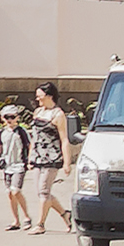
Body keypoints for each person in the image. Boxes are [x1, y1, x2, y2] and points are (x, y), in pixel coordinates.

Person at [27, 87, 76, 233]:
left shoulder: (58, 114)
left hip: (52, 157)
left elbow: (64, 139)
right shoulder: (38, 112)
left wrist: (67, 163)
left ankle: (40, 224)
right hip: (38, 156)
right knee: (42, 192)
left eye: (40, 96)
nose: (37, 99)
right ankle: (65, 214)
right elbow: (34, 138)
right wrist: (30, 157)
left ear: (49, 96)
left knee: (43, 191)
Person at [0, 104, 32, 229]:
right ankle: (16, 220)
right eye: (7, 117)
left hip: (19, 164)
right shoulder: (2, 133)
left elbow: (29, 145)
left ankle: (26, 217)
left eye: (12, 117)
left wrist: (30, 160)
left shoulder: (21, 131)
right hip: (7, 166)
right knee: (10, 193)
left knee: (16, 191)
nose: (9, 120)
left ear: (17, 117)